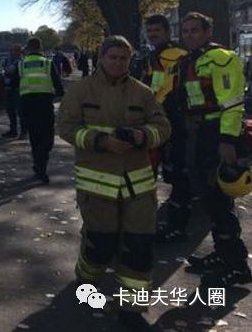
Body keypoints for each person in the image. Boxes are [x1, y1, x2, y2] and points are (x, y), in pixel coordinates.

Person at [58, 36, 170, 331]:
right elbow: (66, 127)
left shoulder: (143, 93)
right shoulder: (82, 90)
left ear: (130, 60)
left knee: (139, 247)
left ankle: (131, 308)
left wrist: (142, 136)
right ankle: (86, 279)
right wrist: (100, 141)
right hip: (97, 185)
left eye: (124, 58)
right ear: (102, 56)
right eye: (113, 57)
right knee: (101, 245)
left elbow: (163, 126)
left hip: (138, 184)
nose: (119, 63)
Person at [176, 12, 252, 287]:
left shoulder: (222, 59)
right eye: (185, 31)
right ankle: (223, 254)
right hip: (196, 132)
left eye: (195, 30)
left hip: (214, 133)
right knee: (208, 198)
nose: (189, 35)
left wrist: (227, 140)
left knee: (218, 199)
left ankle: (236, 265)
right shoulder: (191, 60)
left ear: (208, 32)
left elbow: (232, 103)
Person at [136, 14, 189, 243]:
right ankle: (154, 222)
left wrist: (153, 111)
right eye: (150, 31)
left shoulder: (175, 55)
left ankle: (177, 228)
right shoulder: (155, 55)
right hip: (158, 120)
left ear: (168, 32)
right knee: (157, 172)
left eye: (157, 30)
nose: (153, 34)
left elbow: (167, 90)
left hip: (171, 122)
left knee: (178, 176)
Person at [18, 38, 64, 183]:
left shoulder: (21, 64)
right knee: (47, 137)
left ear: (28, 48)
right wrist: (58, 93)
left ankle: (38, 164)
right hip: (44, 104)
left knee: (34, 136)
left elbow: (14, 82)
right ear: (40, 47)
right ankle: (41, 165)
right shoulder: (47, 63)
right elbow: (58, 85)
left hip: (27, 105)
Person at [1, 44, 25, 139]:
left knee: (20, 111)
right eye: (11, 50)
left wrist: (5, 69)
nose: (12, 52)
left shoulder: (20, 61)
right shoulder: (8, 60)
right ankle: (13, 130)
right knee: (10, 110)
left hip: (17, 88)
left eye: (15, 50)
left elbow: (9, 71)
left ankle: (23, 131)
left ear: (19, 51)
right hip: (8, 88)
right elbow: (6, 70)